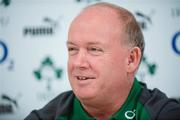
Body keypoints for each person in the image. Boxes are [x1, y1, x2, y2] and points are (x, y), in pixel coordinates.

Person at [25, 2, 180, 120]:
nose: (78, 63)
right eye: (72, 49)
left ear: (131, 60)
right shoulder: (47, 116)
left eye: (94, 50)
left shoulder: (165, 114)